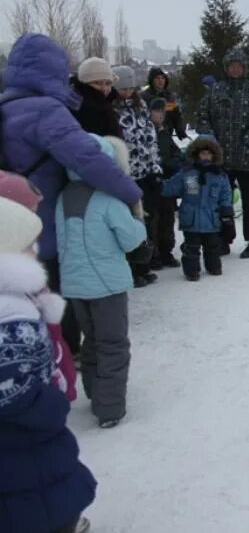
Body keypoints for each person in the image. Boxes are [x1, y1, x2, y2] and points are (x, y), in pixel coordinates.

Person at [0, 33, 143, 358]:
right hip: (45, 219)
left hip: (9, 219)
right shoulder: (46, 110)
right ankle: (62, 355)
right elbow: (88, 158)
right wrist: (130, 193)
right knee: (53, 294)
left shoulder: (6, 105)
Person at [0, 194, 96, 533]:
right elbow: (12, 390)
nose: (36, 252)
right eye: (29, 246)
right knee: (37, 503)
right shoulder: (11, 315)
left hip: (23, 451)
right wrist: (51, 403)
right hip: (22, 446)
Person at [56, 135, 147, 428]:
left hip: (74, 284)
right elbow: (130, 239)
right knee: (114, 343)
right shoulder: (108, 199)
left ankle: (96, 392)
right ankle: (109, 408)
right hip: (107, 284)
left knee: (92, 340)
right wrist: (139, 222)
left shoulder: (63, 196)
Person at [196, 47, 249, 258]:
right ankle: (223, 239)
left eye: (239, 66)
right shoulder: (216, 91)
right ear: (226, 68)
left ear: (244, 68)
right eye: (231, 66)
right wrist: (210, 139)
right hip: (220, 158)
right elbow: (202, 116)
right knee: (221, 200)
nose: (235, 70)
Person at [112, 65, 162, 286]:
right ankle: (130, 267)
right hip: (125, 175)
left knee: (145, 220)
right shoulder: (112, 111)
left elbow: (150, 140)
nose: (126, 92)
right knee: (126, 223)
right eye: (122, 88)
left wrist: (155, 168)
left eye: (130, 88)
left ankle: (143, 265)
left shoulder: (140, 108)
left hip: (145, 173)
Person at [162, 137, 234, 281]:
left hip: (211, 219)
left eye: (209, 154)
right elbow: (172, 187)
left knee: (212, 247)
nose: (206, 157)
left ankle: (214, 267)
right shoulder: (187, 173)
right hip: (191, 219)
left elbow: (226, 194)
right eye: (203, 153)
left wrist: (226, 210)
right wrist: (159, 184)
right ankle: (191, 271)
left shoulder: (219, 176)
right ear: (196, 154)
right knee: (191, 248)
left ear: (214, 155)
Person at [150, 98, 183, 268]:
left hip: (168, 182)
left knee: (167, 218)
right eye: (158, 111)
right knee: (154, 219)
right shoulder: (147, 132)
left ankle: (166, 252)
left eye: (163, 111)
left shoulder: (164, 132)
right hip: (153, 181)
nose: (161, 115)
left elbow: (175, 151)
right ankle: (153, 255)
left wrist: (176, 162)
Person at [71, 57, 123, 138]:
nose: (104, 88)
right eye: (97, 83)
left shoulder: (107, 104)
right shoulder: (85, 109)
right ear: (84, 84)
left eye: (108, 83)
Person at [141, 67, 187, 140]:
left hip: (166, 133)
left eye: (162, 78)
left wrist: (180, 130)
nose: (160, 81)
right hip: (149, 134)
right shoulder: (145, 96)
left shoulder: (169, 97)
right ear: (152, 80)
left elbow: (175, 114)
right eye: (157, 78)